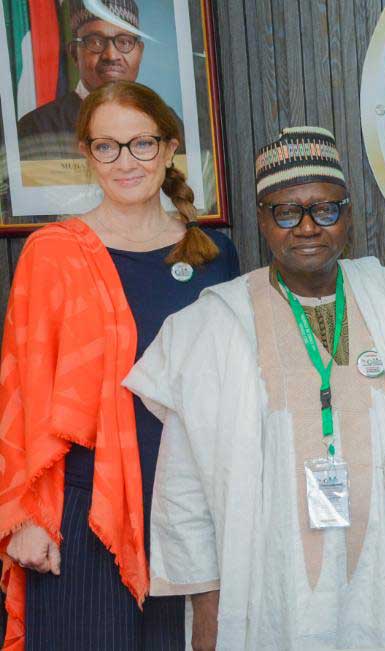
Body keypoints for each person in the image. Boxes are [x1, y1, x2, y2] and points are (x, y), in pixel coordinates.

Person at [123, 126, 385, 650]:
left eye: (324, 209)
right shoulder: (210, 328)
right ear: (262, 219)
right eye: (287, 212)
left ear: (348, 215)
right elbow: (183, 483)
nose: (307, 227)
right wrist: (207, 602)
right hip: (271, 585)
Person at [0, 80, 239, 650]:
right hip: (82, 511)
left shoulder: (215, 256)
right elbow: (21, 391)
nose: (125, 162)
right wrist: (25, 516)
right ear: (87, 153)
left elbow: (234, 385)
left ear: (170, 147)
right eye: (107, 146)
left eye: (142, 144)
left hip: (192, 509)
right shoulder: (52, 253)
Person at [17, 0, 147, 161]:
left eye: (125, 42)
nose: (111, 55)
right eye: (95, 42)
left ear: (140, 52)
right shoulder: (37, 128)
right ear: (74, 53)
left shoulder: (164, 120)